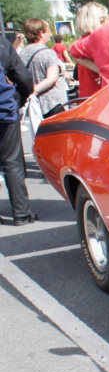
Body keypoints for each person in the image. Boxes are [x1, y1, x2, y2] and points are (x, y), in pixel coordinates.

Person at [0, 34, 36, 225]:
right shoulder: (3, 43)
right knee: (12, 162)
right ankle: (21, 214)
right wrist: (20, 100)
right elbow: (22, 76)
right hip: (4, 110)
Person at [19, 18, 68, 118]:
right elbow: (51, 79)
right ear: (41, 33)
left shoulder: (22, 53)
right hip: (53, 105)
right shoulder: (48, 53)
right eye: (48, 30)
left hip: (35, 107)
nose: (50, 34)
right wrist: (34, 90)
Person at [69, 1, 109, 99]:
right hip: (99, 96)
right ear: (101, 21)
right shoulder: (96, 42)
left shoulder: (80, 43)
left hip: (86, 96)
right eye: (107, 19)